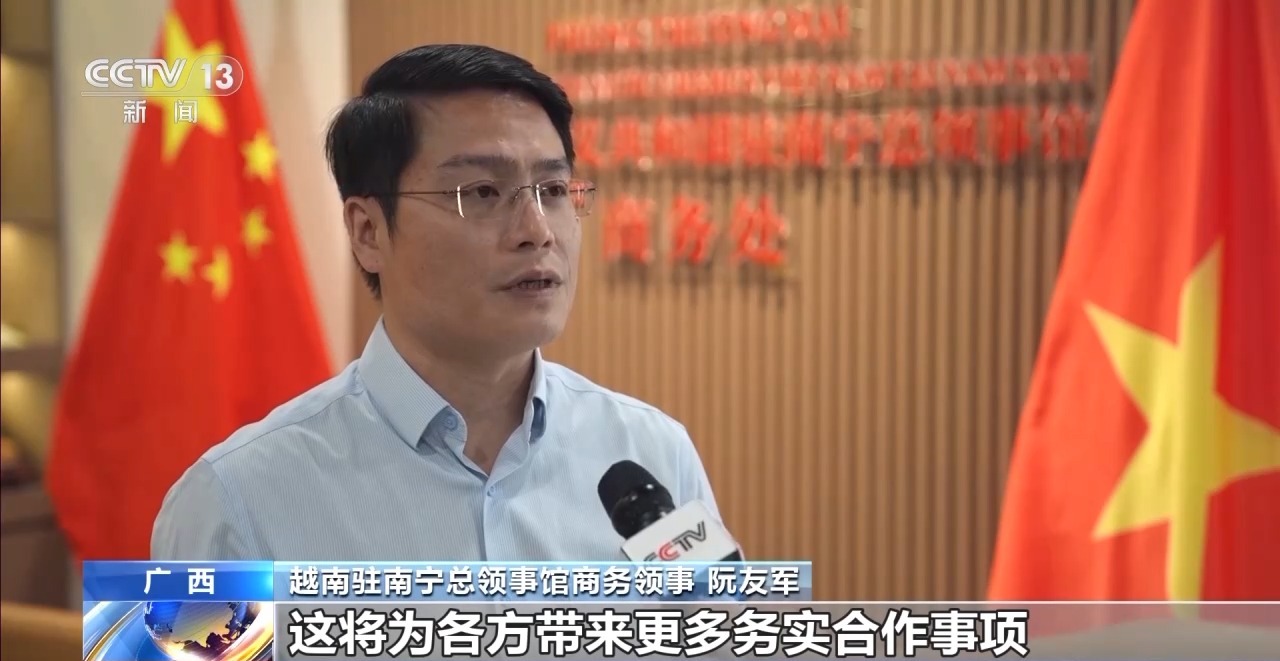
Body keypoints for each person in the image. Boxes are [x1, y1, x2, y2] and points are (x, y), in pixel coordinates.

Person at [151, 44, 725, 561]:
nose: (537, 231)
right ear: (368, 231)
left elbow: (714, 632)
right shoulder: (237, 503)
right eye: (482, 192)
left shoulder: (651, 455)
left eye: (552, 190)